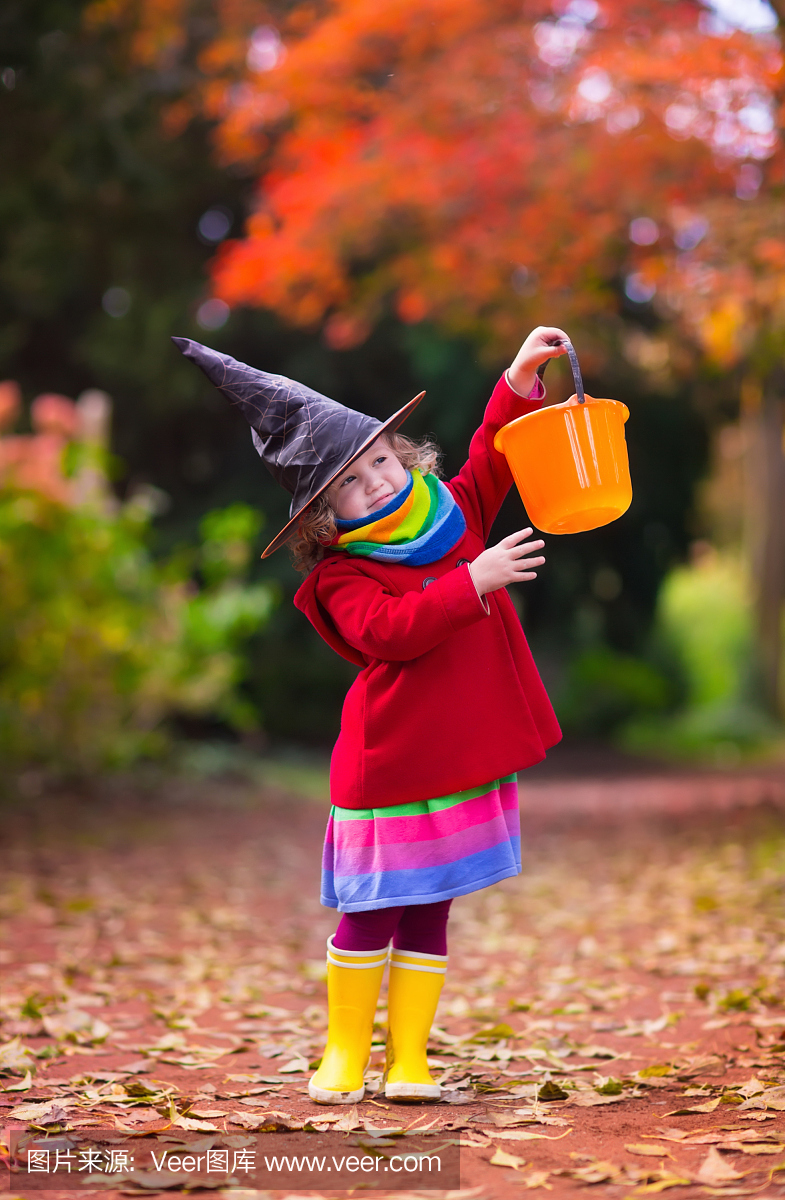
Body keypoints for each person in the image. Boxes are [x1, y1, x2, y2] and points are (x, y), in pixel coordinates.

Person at [173, 325, 566, 1105]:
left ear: (405, 455)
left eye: (381, 461)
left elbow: (492, 452)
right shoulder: (342, 577)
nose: (378, 484)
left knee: (430, 908)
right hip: (388, 769)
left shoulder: (452, 517)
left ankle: (410, 1059)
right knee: (370, 910)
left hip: (455, 763)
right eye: (351, 482)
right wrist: (472, 584)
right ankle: (344, 1052)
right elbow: (391, 632)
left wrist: (518, 380)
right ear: (323, 515)